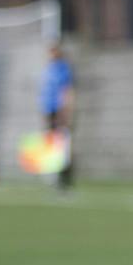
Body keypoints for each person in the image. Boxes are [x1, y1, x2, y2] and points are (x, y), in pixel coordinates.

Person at [39, 42, 75, 189]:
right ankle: (53, 174)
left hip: (60, 110)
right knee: (51, 143)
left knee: (63, 144)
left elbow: (66, 91)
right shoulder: (48, 69)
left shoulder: (63, 69)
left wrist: (66, 110)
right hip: (49, 110)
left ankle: (64, 179)